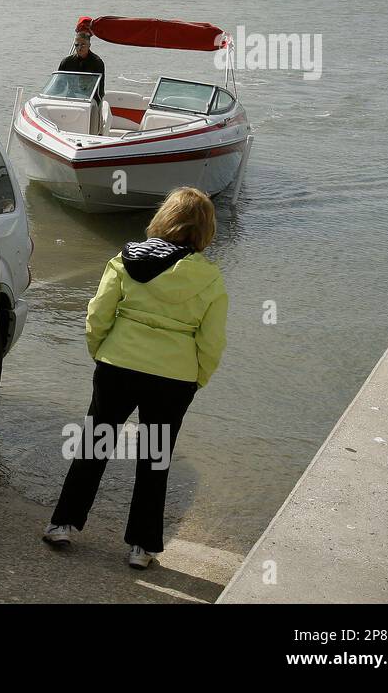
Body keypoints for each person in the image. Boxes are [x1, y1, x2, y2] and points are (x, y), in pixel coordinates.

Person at [42, 187, 228, 570]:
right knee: (154, 456)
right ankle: (141, 548)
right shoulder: (209, 278)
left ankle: (62, 523)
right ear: (205, 229)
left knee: (95, 444)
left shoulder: (124, 260)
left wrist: (101, 352)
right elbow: (212, 341)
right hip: (173, 378)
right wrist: (197, 379)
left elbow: (97, 314)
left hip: (118, 366)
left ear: (164, 217)